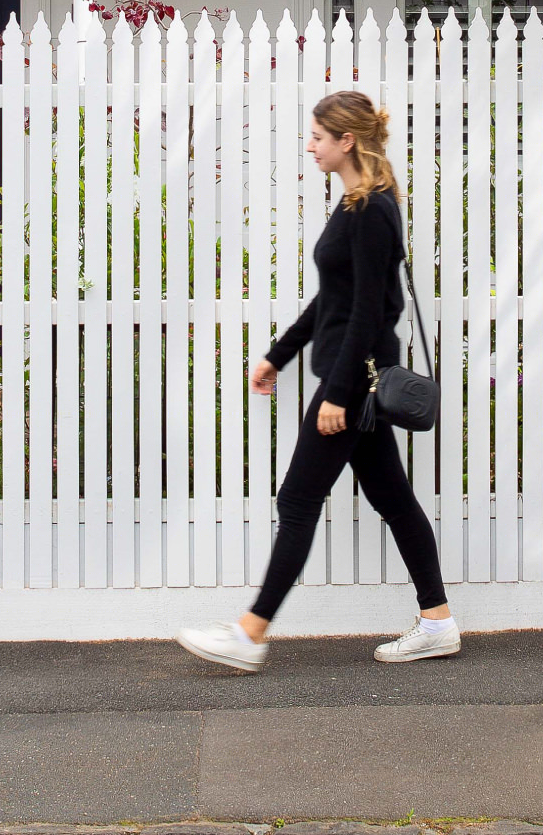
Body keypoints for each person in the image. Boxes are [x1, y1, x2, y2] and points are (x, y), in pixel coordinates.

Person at [177, 90, 458, 671]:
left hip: (353, 384)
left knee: (299, 498)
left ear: (346, 141)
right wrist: (278, 356)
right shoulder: (355, 204)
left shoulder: (372, 208)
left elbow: (367, 316)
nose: (310, 146)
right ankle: (438, 622)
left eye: (318, 138)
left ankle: (250, 634)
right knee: (394, 500)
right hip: (352, 378)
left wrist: (336, 392)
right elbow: (333, 301)